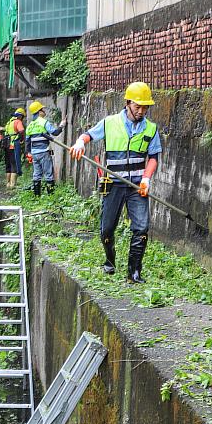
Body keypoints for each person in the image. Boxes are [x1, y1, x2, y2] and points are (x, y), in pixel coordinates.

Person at [69, 81, 162, 284]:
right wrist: (79, 143)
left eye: (145, 107)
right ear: (128, 102)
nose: (141, 110)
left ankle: (134, 273)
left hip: (137, 186)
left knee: (141, 228)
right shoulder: (109, 123)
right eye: (138, 106)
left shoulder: (151, 129)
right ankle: (110, 261)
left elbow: (154, 157)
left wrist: (146, 178)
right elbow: (88, 135)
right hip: (113, 183)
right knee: (107, 228)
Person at [25, 101, 66, 196]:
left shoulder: (30, 125)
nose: (44, 111)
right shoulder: (44, 122)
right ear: (39, 112)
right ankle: (51, 196)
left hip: (34, 154)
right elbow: (55, 133)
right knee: (48, 174)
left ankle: (36, 196)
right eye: (42, 109)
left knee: (37, 175)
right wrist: (62, 125)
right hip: (44, 152)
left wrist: (28, 153)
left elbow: (27, 142)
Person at [3, 107, 26, 188]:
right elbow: (21, 130)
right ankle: (13, 184)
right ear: (20, 116)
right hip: (13, 146)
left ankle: (8, 183)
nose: (22, 119)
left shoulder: (9, 122)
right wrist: (21, 139)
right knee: (14, 165)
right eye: (23, 117)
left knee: (8, 165)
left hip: (6, 146)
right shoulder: (17, 121)